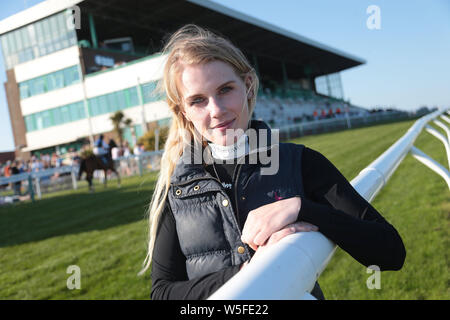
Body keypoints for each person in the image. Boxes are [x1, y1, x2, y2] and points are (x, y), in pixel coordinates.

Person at [141, 25, 406, 300]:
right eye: (198, 100)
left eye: (225, 89)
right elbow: (161, 293)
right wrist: (252, 270)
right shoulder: (177, 188)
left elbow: (390, 252)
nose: (216, 110)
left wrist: (301, 208)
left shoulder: (300, 162)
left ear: (248, 85)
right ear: (183, 110)